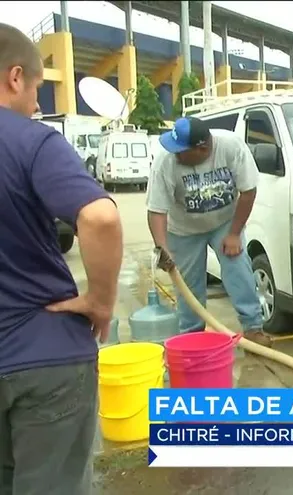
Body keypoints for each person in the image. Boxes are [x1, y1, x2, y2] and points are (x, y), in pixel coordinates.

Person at [0, 23, 123, 494]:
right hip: (46, 358)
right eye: (35, 90)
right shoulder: (32, 141)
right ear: (15, 77)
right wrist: (101, 300)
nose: (35, 105)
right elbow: (101, 219)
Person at [147, 117, 272, 346]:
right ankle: (192, 337)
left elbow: (248, 191)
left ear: (202, 148)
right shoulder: (165, 161)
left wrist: (234, 233)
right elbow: (156, 210)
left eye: (181, 151)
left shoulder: (231, 147)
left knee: (239, 271)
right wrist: (162, 247)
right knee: (188, 285)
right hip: (183, 229)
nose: (176, 154)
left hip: (225, 222)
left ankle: (253, 328)